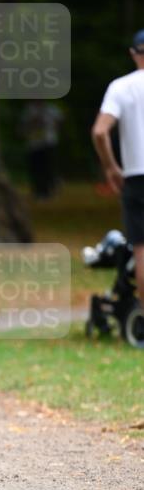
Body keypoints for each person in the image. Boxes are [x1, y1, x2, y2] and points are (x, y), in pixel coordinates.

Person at [92, 30, 144, 305]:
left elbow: (101, 132)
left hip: (137, 177)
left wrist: (111, 168)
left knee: (142, 249)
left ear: (133, 54)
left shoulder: (121, 87)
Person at [20, 100, 63, 200]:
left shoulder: (51, 109)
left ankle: (49, 189)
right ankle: (38, 191)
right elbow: (23, 126)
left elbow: (60, 120)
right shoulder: (29, 110)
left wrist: (54, 129)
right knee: (36, 169)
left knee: (48, 168)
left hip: (48, 142)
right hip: (34, 143)